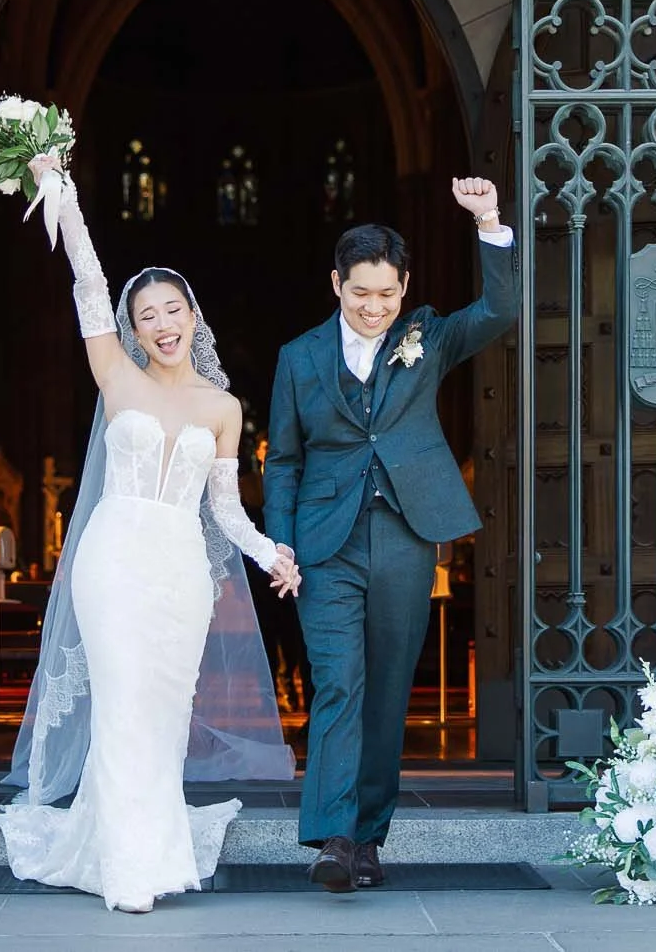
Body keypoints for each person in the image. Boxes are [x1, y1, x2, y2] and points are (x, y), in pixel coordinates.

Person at [0, 154, 301, 914]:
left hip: (181, 570)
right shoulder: (114, 373)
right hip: (113, 557)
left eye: (172, 309)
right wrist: (65, 191)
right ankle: (128, 868)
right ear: (134, 325)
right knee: (120, 699)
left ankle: (154, 848)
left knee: (161, 710)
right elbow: (87, 280)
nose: (161, 323)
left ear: (194, 315)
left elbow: (225, 509)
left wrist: (267, 552)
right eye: (146, 313)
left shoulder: (223, 407)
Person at [264, 184, 516, 892]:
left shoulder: (429, 336)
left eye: (387, 293)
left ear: (404, 286)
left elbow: (501, 309)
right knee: (338, 681)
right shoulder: (299, 356)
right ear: (336, 283)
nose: (374, 308)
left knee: (386, 690)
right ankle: (334, 837)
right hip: (324, 541)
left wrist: (489, 222)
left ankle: (370, 836)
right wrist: (280, 543)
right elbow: (282, 459)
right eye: (360, 293)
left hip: (407, 533)